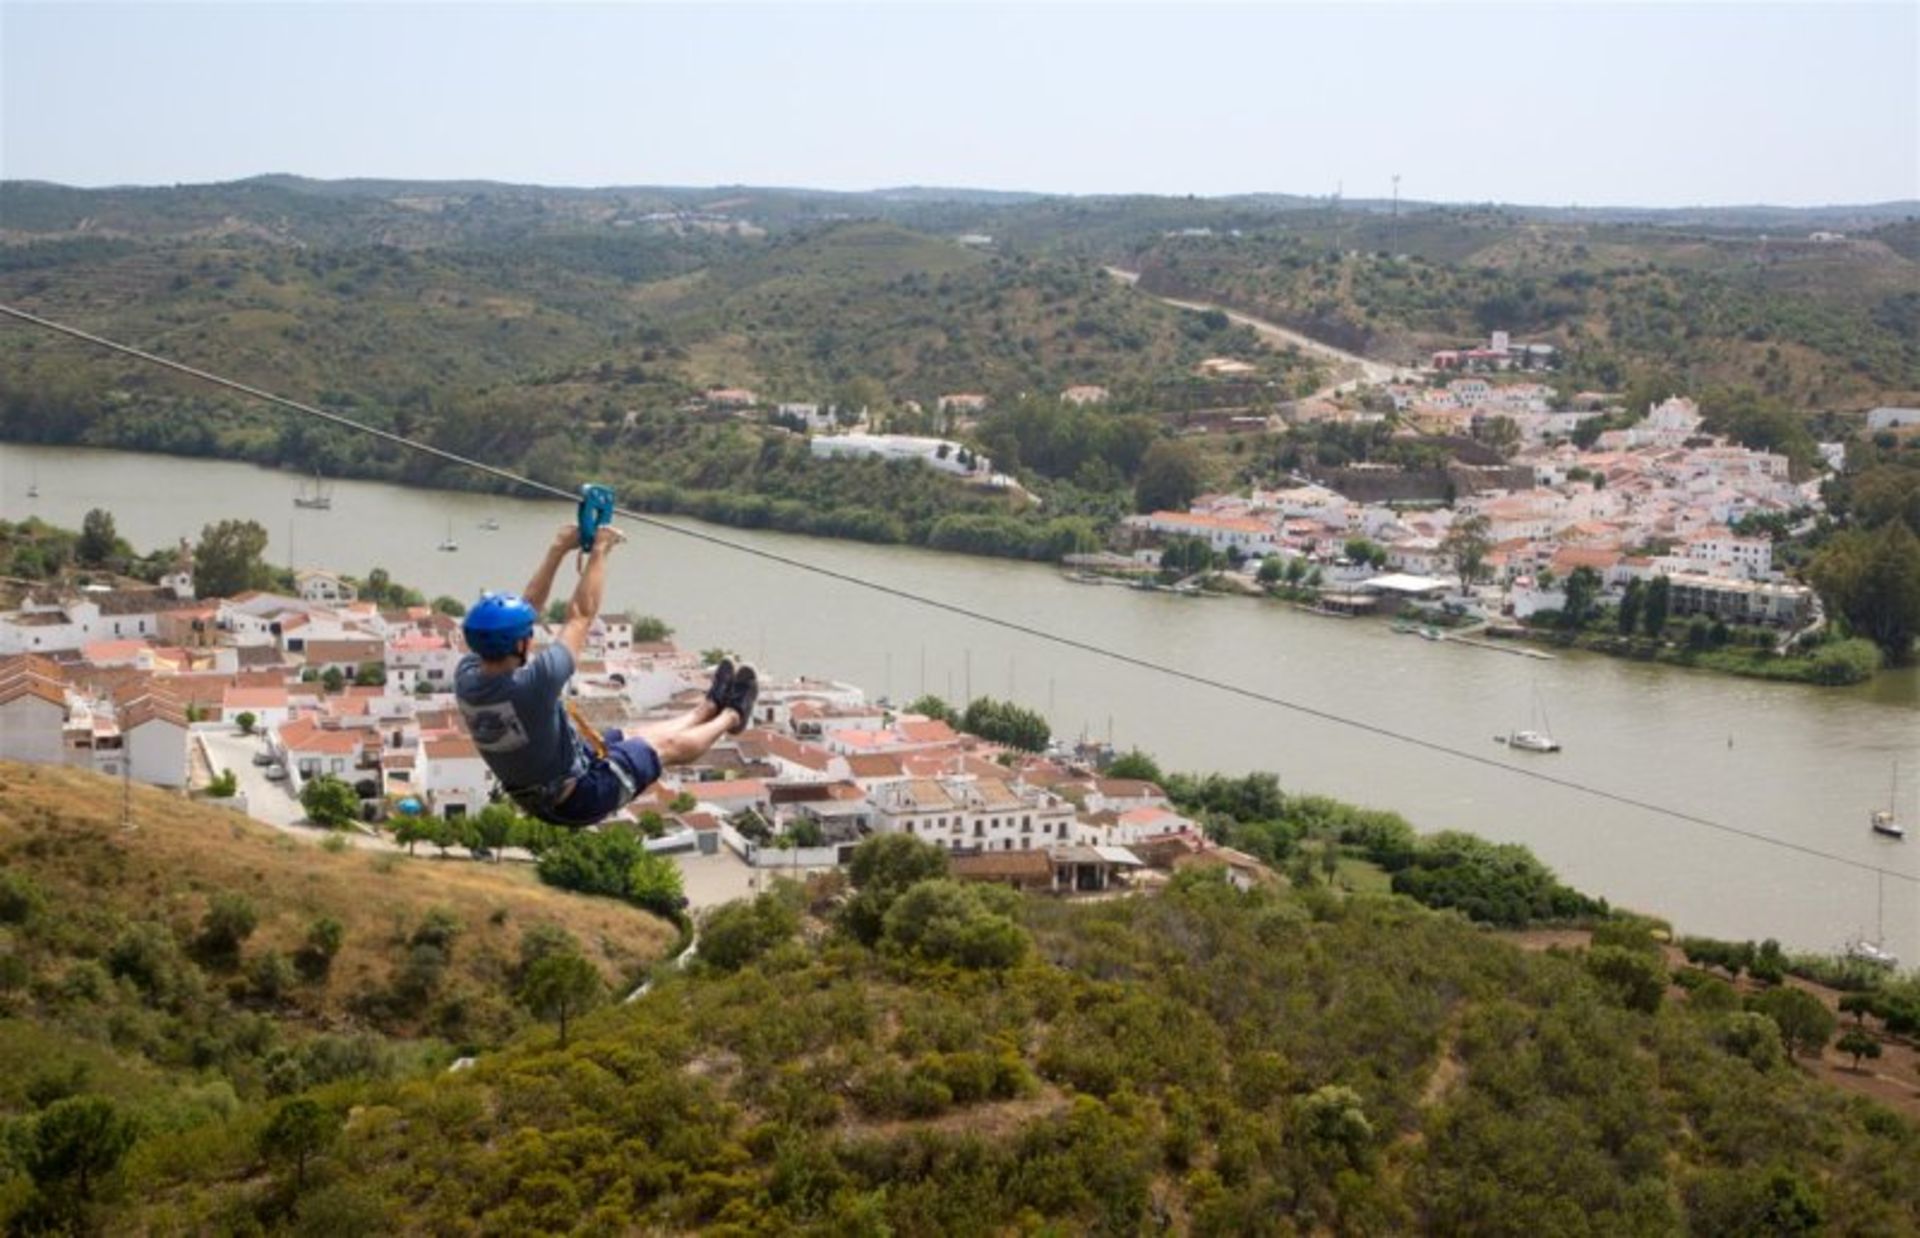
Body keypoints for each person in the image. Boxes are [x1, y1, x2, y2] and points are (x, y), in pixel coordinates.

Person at [455, 523, 757, 827]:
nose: (531, 636)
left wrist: (559, 549)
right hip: (578, 797)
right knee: (665, 748)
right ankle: (732, 715)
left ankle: (707, 708)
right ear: (519, 643)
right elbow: (581, 616)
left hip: (555, 776)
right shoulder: (533, 686)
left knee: (634, 736)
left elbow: (527, 607)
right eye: (527, 634)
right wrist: (600, 550)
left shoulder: (467, 677)